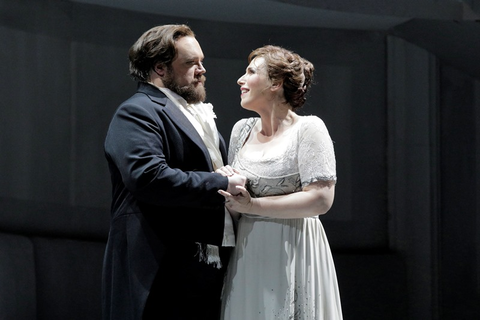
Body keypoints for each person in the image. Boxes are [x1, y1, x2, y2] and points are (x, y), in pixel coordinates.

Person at [102, 24, 246, 320]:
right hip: (159, 266)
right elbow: (148, 177)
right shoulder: (138, 110)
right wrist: (221, 182)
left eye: (202, 62)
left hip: (203, 265)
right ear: (160, 68)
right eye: (191, 63)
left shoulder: (197, 112)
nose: (201, 70)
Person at [217, 45, 343, 319]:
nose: (240, 79)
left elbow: (321, 200)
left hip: (294, 250)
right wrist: (232, 194)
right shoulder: (241, 130)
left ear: (276, 83)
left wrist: (253, 205)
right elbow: (237, 207)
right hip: (248, 251)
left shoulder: (309, 128)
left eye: (250, 72)